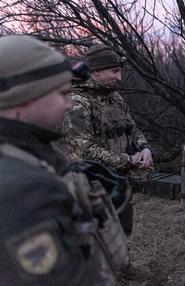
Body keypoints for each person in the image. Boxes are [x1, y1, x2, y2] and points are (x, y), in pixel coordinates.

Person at [0, 35, 128, 285]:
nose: (68, 104)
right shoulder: (25, 190)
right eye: (62, 94)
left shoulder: (25, 154)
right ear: (25, 97)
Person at [62, 44, 153, 236]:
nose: (119, 77)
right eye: (114, 71)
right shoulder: (77, 102)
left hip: (119, 184)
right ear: (96, 71)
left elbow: (132, 127)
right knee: (98, 241)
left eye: (120, 71)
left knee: (122, 234)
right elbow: (84, 152)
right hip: (91, 189)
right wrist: (129, 160)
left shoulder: (115, 98)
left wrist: (144, 147)